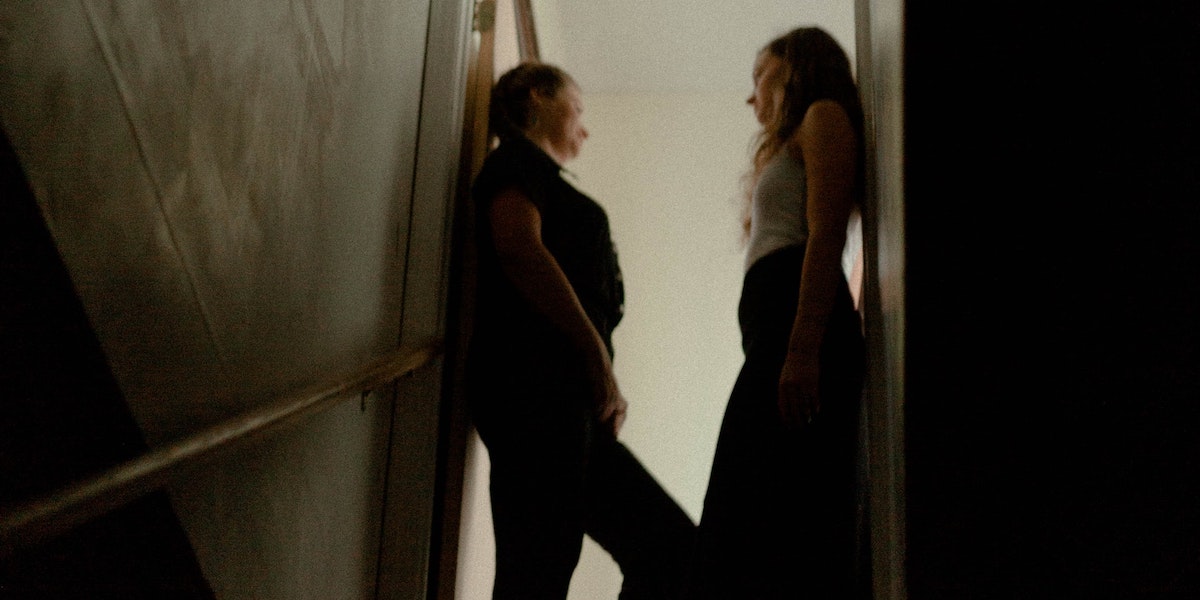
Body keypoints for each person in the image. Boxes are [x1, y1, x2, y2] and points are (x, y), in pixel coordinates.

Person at [466, 62, 696, 600]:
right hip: (534, 392)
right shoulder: (514, 163)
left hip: (566, 401)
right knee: (540, 564)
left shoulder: (538, 175)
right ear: (536, 94)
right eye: (579, 107)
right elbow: (519, 249)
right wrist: (598, 361)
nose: (585, 128)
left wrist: (597, 378)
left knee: (671, 549)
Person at [686, 28, 867, 599]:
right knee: (763, 506)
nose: (751, 96)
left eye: (759, 76)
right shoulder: (797, 133)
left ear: (793, 68)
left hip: (797, 322)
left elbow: (827, 233)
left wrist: (803, 346)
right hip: (776, 326)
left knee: (748, 507)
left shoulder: (823, 114)